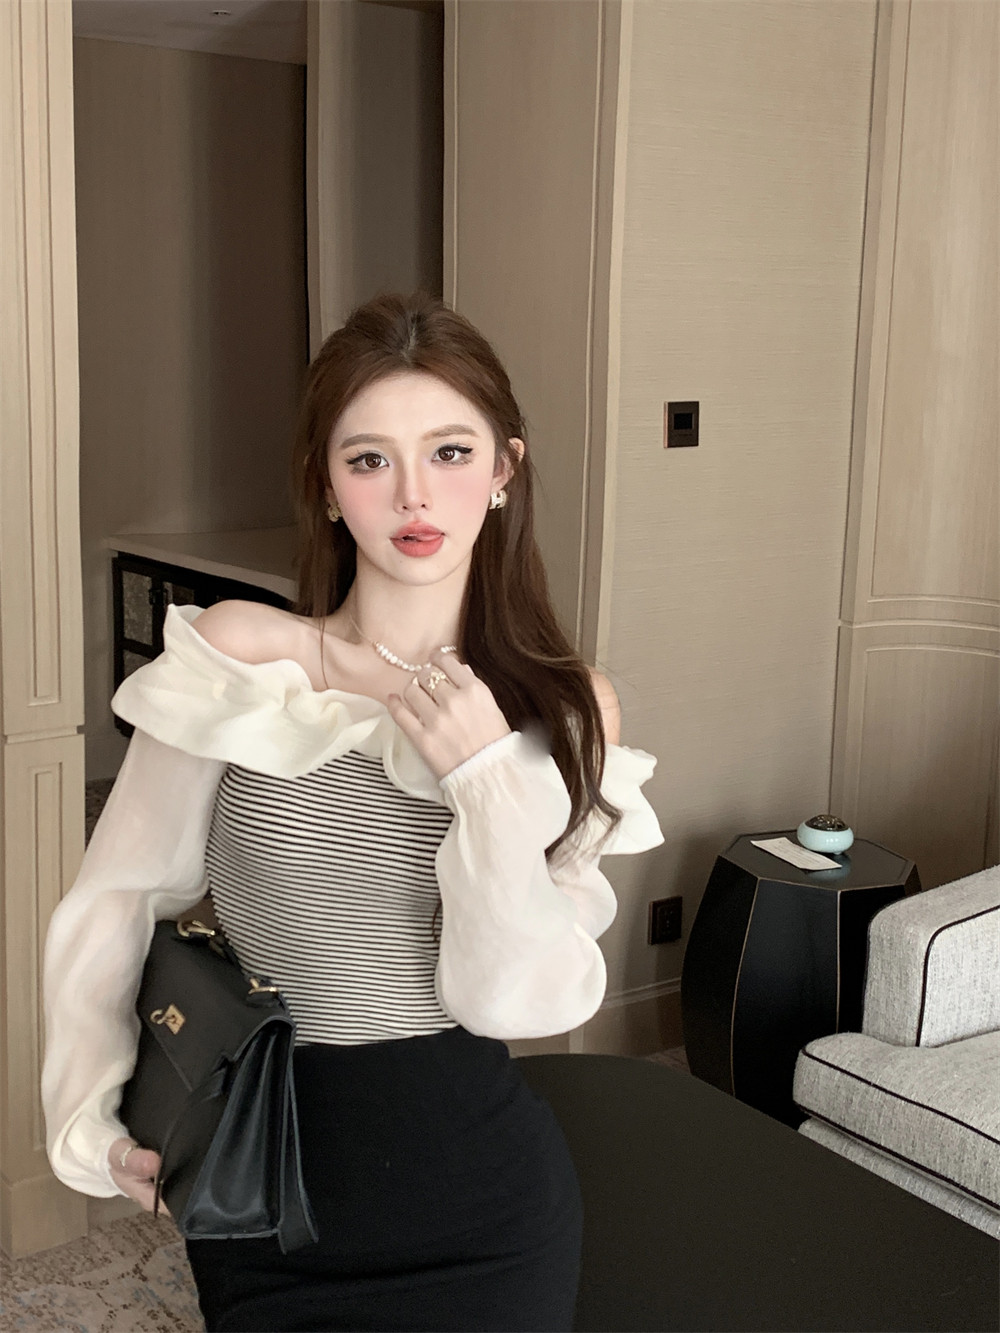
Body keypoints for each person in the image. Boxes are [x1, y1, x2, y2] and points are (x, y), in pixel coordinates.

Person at [41, 290, 663, 1332]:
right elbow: (117, 898)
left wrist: (484, 779)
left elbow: (512, 1003)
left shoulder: (564, 709)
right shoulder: (242, 659)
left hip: (485, 1203)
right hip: (268, 1189)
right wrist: (88, 1114)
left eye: (451, 452)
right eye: (370, 458)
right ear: (326, 486)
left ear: (504, 470)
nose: (414, 493)